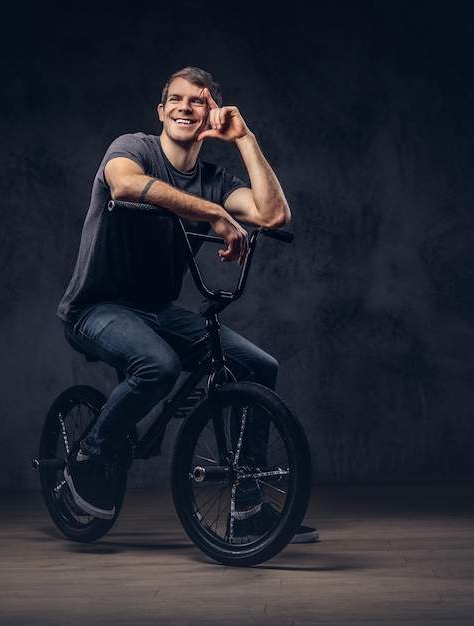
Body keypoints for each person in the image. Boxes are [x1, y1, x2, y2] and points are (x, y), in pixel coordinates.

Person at [57, 67, 318, 544]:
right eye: (175, 99)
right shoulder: (132, 148)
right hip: (96, 307)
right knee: (158, 366)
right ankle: (89, 458)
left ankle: (248, 501)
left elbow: (273, 214)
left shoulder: (214, 179)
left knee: (259, 367)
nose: (184, 106)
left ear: (212, 116)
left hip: (157, 310)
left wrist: (244, 138)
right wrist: (213, 213)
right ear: (161, 111)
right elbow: (124, 186)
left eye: (197, 101)